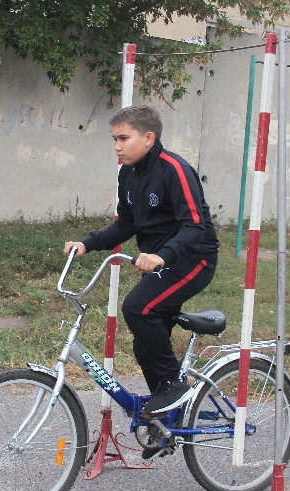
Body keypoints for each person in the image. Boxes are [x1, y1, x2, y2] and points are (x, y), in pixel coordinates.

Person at [64, 105, 219, 418]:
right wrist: (87, 244)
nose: (117, 146)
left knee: (137, 307)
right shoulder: (128, 174)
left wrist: (162, 255)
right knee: (143, 344)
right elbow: (126, 224)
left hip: (193, 259)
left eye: (124, 138)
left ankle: (174, 387)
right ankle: (170, 414)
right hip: (160, 262)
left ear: (149, 138)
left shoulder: (175, 169)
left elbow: (194, 226)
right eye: (114, 139)